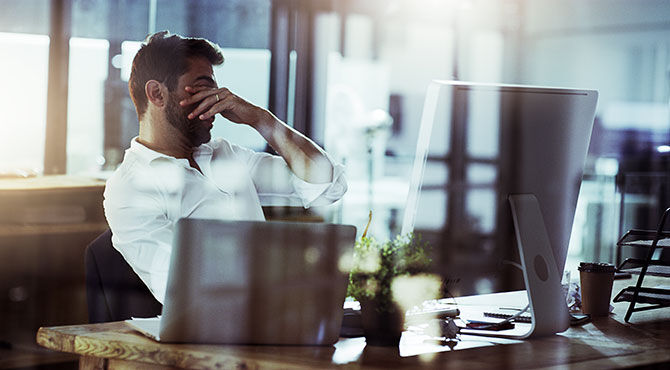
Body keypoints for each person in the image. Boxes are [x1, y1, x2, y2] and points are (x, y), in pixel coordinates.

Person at [103, 31, 347, 304]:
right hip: (211, 336)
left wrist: (261, 119)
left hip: (275, 313)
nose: (218, 98)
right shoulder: (129, 188)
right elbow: (183, 287)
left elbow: (327, 185)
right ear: (157, 93)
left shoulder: (226, 155)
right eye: (203, 87)